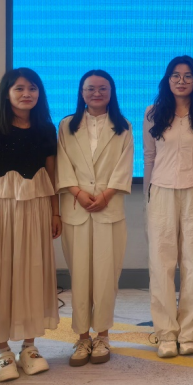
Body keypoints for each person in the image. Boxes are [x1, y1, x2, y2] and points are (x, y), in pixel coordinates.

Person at [0, 68, 60, 383]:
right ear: (6, 93)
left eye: (32, 88)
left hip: (37, 209)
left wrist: (55, 213)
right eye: (19, 88)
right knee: (0, 276)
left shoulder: (46, 129)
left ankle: (29, 347)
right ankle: (3, 351)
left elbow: (51, 176)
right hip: (2, 212)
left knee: (34, 273)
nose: (27, 94)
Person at [57, 70, 133, 367]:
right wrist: (77, 193)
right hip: (75, 209)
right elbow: (62, 163)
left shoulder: (123, 126)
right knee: (79, 276)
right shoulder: (66, 125)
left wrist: (106, 195)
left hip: (108, 208)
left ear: (111, 92)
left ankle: (102, 336)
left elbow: (124, 166)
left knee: (106, 276)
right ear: (81, 92)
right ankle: (81, 337)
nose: (97, 93)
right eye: (90, 88)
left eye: (103, 88)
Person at [144, 56, 193, 357]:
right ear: (168, 79)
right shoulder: (153, 113)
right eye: (176, 75)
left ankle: (189, 334)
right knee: (161, 265)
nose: (182, 80)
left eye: (188, 75)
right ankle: (165, 334)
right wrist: (148, 197)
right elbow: (149, 157)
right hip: (161, 192)